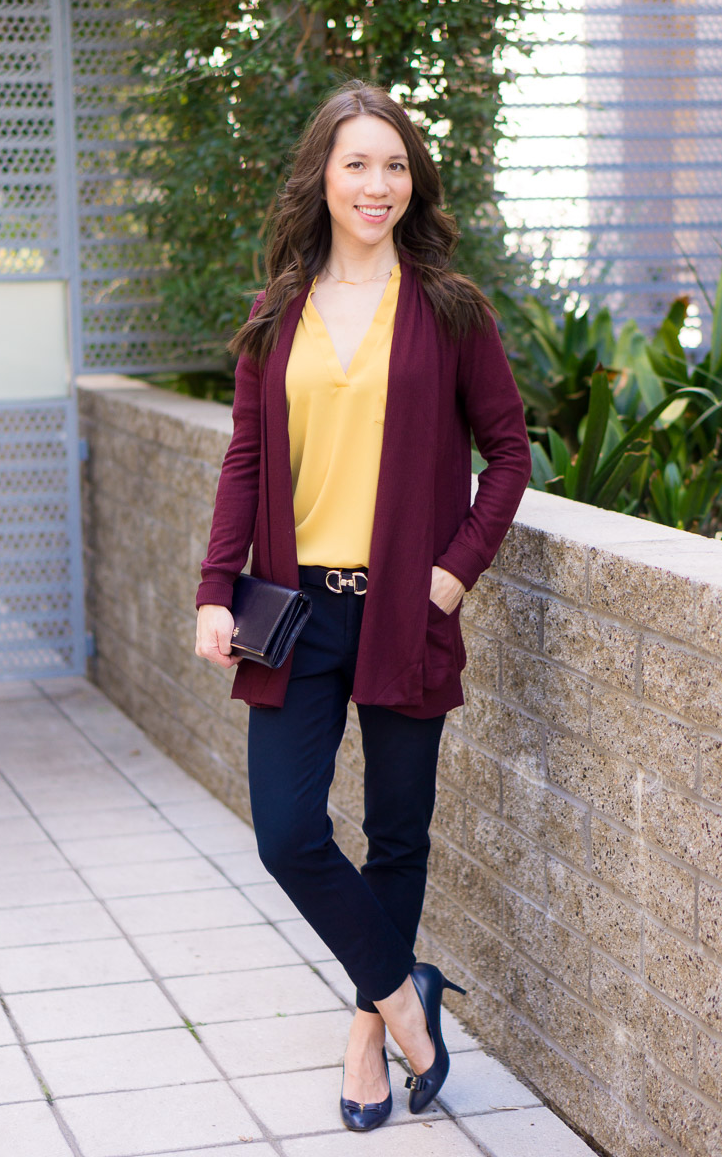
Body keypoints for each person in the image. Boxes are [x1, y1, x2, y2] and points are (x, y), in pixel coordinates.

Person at [195, 81, 531, 1131]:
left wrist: (451, 571)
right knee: (288, 834)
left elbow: (510, 455)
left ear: (411, 182)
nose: (375, 184)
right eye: (356, 164)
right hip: (293, 612)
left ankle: (364, 1044)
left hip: (404, 608)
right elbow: (247, 460)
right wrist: (215, 589)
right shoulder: (275, 316)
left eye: (393, 166)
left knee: (396, 834)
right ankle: (404, 999)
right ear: (322, 179)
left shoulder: (448, 310)